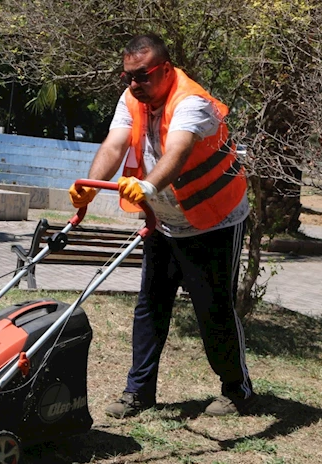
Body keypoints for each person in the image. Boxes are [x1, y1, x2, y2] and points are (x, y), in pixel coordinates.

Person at [69, 34, 255, 418]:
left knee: (213, 308)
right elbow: (114, 144)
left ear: (166, 70)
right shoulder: (132, 100)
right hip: (165, 221)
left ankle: (237, 390)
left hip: (214, 220)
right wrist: (88, 186)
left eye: (143, 76)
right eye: (128, 77)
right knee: (150, 306)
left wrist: (148, 186)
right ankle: (139, 392)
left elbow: (179, 151)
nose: (135, 84)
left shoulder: (191, 102)